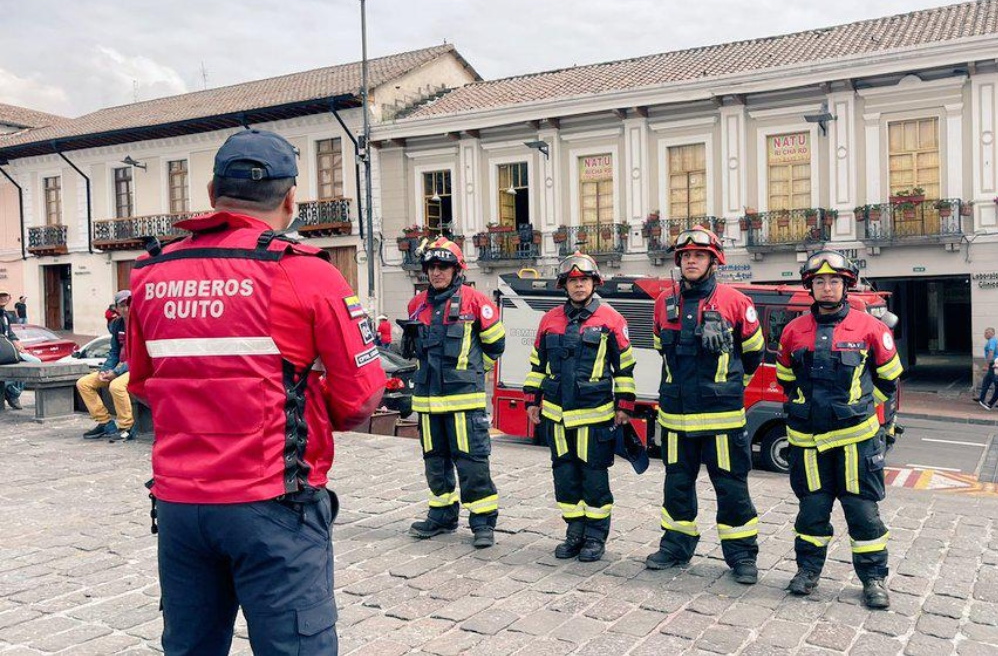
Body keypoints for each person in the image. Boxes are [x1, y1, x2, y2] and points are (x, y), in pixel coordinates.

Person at [125, 128, 385, 655]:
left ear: (210, 191)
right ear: (291, 200)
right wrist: (307, 402)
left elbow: (142, 382)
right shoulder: (305, 272)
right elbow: (361, 397)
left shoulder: (150, 273)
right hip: (273, 503)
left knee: (190, 647)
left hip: (179, 505)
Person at [775, 251, 902, 609]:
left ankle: (874, 579)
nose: (827, 287)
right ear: (810, 287)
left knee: (862, 514)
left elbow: (888, 380)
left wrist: (857, 409)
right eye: (819, 281)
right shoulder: (792, 331)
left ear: (847, 286)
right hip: (807, 443)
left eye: (834, 281)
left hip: (855, 443)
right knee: (811, 512)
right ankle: (808, 572)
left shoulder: (871, 329)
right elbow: (787, 380)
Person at [644, 226, 765, 585]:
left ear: (714, 261)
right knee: (676, 486)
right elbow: (660, 352)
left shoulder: (736, 302)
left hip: (722, 421)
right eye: (686, 256)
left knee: (731, 487)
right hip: (677, 418)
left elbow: (754, 355)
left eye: (699, 255)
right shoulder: (664, 304)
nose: (691, 260)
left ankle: (742, 555)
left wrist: (725, 389)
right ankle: (675, 546)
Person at [524, 252, 636, 562]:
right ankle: (574, 532)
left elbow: (624, 367)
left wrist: (624, 406)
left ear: (594, 283)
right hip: (557, 417)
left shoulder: (611, 320)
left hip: (595, 417)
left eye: (584, 280)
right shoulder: (549, 320)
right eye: (573, 281)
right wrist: (532, 399)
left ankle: (596, 537)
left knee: (594, 478)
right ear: (564, 285)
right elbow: (537, 364)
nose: (578, 286)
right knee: (565, 477)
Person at [404, 237, 506, 548]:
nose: (437, 273)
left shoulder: (477, 302)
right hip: (427, 401)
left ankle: (483, 523)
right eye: (432, 267)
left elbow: (496, 346)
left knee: (472, 462)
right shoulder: (416, 304)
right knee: (434, 461)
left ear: (456, 270)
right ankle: (442, 514)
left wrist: (473, 374)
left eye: (443, 267)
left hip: (465, 402)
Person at [78, 290, 135, 441]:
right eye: (122, 305)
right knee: (83, 383)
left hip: (137, 367)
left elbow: (140, 356)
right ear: (116, 308)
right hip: (119, 367)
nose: (126, 309)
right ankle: (106, 423)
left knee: (116, 386)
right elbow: (114, 352)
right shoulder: (117, 324)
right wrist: (105, 370)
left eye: (129, 304)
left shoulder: (142, 323)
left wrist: (117, 372)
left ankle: (126, 427)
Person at [0, 291, 40, 409]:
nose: (2, 298)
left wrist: (17, 342)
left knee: (35, 361)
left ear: (10, 298)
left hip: (7, 350)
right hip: (3, 351)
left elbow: (10, 333)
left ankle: (12, 391)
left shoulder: (6, 314)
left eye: (4, 295)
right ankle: (12, 393)